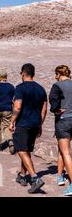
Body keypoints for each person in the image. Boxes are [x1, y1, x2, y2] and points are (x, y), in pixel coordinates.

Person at [9, 63, 47, 194]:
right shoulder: (41, 89)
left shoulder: (20, 88)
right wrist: (40, 124)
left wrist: (12, 121)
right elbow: (44, 109)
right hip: (36, 123)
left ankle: (35, 178)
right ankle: (22, 176)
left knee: (20, 149)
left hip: (23, 123)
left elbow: (18, 106)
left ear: (23, 73)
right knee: (26, 150)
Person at [49, 65, 72, 196]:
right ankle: (60, 176)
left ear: (58, 73)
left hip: (63, 120)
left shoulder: (57, 85)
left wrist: (55, 110)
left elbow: (53, 100)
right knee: (61, 150)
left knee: (66, 152)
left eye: (55, 74)